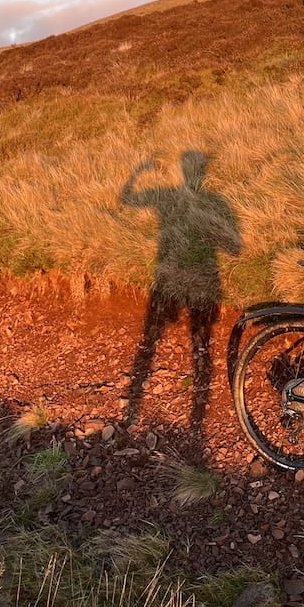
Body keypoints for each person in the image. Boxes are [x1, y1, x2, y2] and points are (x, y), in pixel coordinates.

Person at [120, 151, 241, 436]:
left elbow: (126, 198)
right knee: (201, 344)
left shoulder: (170, 196)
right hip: (201, 279)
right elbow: (235, 247)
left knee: (154, 341)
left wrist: (139, 170)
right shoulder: (216, 202)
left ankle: (179, 403)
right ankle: (200, 406)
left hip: (176, 276)